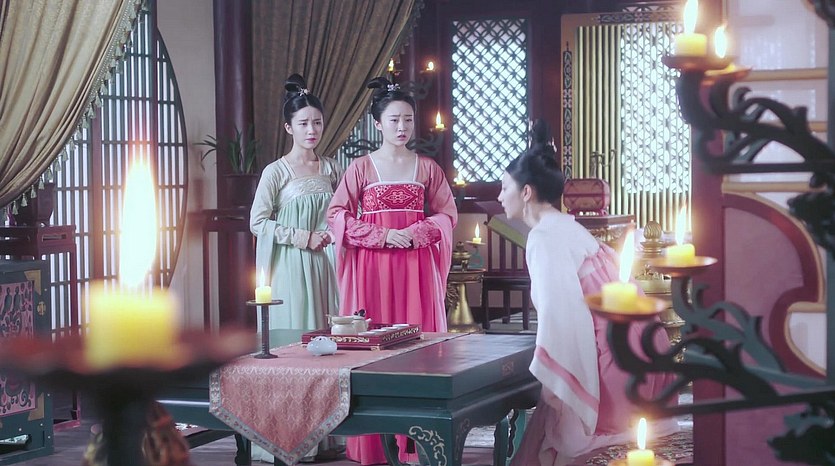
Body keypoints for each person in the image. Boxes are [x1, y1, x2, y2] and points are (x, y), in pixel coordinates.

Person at [498, 120, 678, 466]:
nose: (499, 196)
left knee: (565, 429)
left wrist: (558, 379)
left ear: (526, 192)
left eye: (504, 187)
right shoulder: (569, 227)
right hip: (640, 345)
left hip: (613, 354)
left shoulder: (544, 237)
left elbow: (562, 316)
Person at [327, 76, 458, 465]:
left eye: (408, 120)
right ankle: (373, 444)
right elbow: (337, 215)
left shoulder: (427, 168)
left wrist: (415, 233)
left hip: (416, 266)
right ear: (378, 124)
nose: (402, 127)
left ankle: (416, 441)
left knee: (417, 346)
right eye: (394, 120)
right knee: (376, 346)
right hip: (374, 267)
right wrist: (383, 235)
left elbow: (447, 214)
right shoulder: (360, 168)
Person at [249, 74, 344, 463]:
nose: (311, 130)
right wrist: (302, 236)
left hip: (327, 265)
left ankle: (326, 436)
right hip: (291, 264)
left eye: (317, 122)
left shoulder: (332, 167)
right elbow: (258, 222)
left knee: (329, 345)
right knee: (295, 348)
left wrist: (332, 234)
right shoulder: (277, 171)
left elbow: (343, 214)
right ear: (288, 127)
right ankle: (287, 438)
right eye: (303, 123)